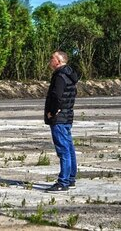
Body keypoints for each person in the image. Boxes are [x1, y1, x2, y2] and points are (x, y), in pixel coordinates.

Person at [44, 50, 80, 193]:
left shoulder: (59, 75)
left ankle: (63, 181)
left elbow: (56, 96)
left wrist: (52, 111)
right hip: (67, 115)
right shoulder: (70, 75)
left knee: (63, 150)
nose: (50, 60)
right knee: (69, 148)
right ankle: (70, 178)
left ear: (58, 61)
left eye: (52, 58)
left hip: (59, 118)